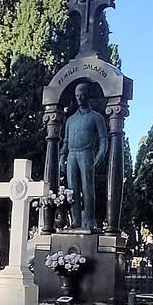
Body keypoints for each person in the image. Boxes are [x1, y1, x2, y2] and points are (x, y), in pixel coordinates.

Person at [60, 82, 107, 229]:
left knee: (87, 187)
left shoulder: (96, 117)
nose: (80, 97)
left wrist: (100, 154)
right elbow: (66, 141)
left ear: (88, 95)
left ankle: (89, 219)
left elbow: (103, 139)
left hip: (86, 153)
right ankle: (76, 220)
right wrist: (62, 156)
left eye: (82, 94)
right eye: (77, 95)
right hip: (72, 154)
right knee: (72, 189)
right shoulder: (70, 120)